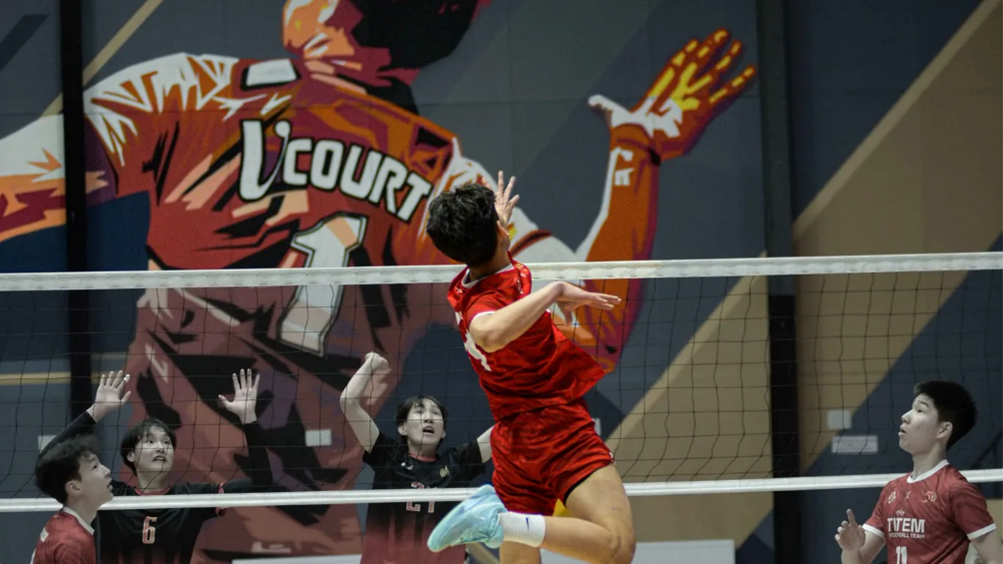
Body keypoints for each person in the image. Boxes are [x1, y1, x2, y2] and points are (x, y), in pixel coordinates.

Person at [0, 0, 752, 552]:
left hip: (177, 508)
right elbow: (599, 326)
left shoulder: (188, 96)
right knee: (594, 541)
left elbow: (11, 186)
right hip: (307, 528)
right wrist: (634, 158)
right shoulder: (442, 185)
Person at [422, 176, 635, 564]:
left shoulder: (470, 279)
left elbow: (488, 256)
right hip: (558, 431)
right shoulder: (485, 305)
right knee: (617, 546)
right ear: (499, 233)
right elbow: (487, 331)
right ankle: (499, 522)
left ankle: (502, 522)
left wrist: (497, 221)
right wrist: (554, 290)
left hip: (514, 442)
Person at [39, 369, 272, 563]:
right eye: (150, 441)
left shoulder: (192, 498)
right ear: (131, 455)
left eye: (166, 443)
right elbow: (49, 459)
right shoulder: (108, 497)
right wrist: (97, 411)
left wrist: (248, 419)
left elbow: (262, 484)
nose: (161, 447)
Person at [340, 352, 492, 564]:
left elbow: (505, 429)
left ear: (443, 432)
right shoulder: (387, 455)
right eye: (419, 412)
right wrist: (371, 364)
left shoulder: (458, 462)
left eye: (436, 414)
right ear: (402, 427)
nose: (429, 418)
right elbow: (348, 402)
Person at [834, 380, 1002, 564]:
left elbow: (997, 558)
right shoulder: (892, 490)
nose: (905, 416)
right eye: (911, 409)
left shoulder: (956, 490)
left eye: (920, 410)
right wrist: (851, 549)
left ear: (943, 429)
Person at [31, 435, 115, 564]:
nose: (107, 471)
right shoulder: (73, 541)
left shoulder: (61, 523)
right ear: (75, 487)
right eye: (95, 467)